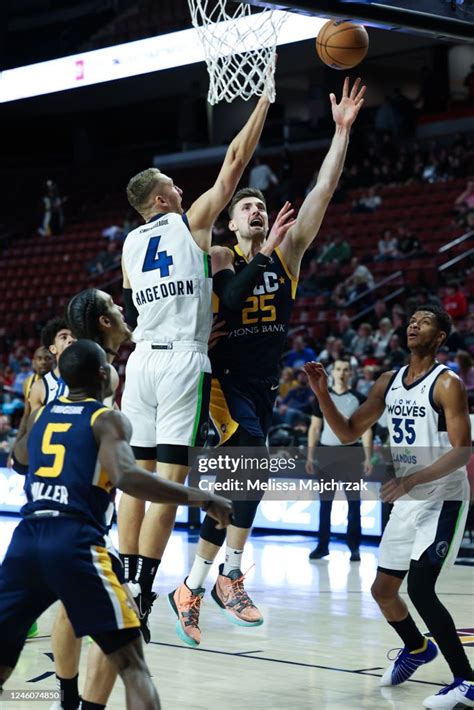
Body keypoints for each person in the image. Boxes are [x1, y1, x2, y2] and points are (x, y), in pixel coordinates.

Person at [169, 76, 366, 647]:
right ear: (233, 222)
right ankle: (228, 576)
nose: (257, 210)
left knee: (240, 489)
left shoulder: (288, 256)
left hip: (262, 385)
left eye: (260, 204)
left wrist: (341, 133)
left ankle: (194, 585)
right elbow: (225, 302)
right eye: (247, 206)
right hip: (222, 381)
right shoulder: (221, 253)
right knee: (251, 467)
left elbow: (323, 193)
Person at [1, 340, 232, 710]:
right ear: (101, 374)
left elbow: (19, 458)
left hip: (25, 541)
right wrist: (202, 497)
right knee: (132, 665)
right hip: (74, 541)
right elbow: (129, 478)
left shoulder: (45, 414)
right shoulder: (105, 418)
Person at [118, 95, 274, 642]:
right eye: (176, 187)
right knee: (169, 481)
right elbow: (234, 163)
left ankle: (126, 582)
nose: (184, 191)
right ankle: (146, 586)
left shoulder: (130, 245)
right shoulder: (190, 224)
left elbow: (148, 296)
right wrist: (263, 107)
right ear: (163, 197)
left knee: (133, 483)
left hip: (139, 362)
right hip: (184, 361)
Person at [303, 305, 473, 709]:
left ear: (441, 336)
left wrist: (412, 479)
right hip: (408, 499)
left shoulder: (447, 384)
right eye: (412, 319)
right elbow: (346, 431)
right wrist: (323, 394)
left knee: (420, 588)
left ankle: (466, 681)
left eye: (426, 320)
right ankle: (416, 649)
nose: (414, 324)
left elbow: (462, 450)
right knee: (383, 590)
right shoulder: (387, 381)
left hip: (442, 498)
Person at [46, 289, 133, 710]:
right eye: (115, 307)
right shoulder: (103, 373)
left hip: (52, 506)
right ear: (103, 322)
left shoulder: (76, 365)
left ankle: (66, 699)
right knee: (121, 620)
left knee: (69, 602)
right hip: (83, 508)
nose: (122, 309)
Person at [306, 357, 373, 561]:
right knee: (325, 504)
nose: (342, 373)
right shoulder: (321, 396)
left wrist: (368, 457)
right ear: (332, 373)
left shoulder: (359, 398)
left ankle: (354, 547)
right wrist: (310, 455)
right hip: (326, 454)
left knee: (354, 503)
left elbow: (367, 430)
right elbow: (315, 428)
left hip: (351, 454)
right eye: (338, 369)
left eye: (345, 369)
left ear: (351, 373)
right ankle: (322, 546)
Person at [28, 318, 75, 411]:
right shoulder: (40, 387)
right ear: (53, 349)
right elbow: (36, 424)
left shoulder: (93, 379)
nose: (71, 340)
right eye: (64, 337)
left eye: (74, 336)